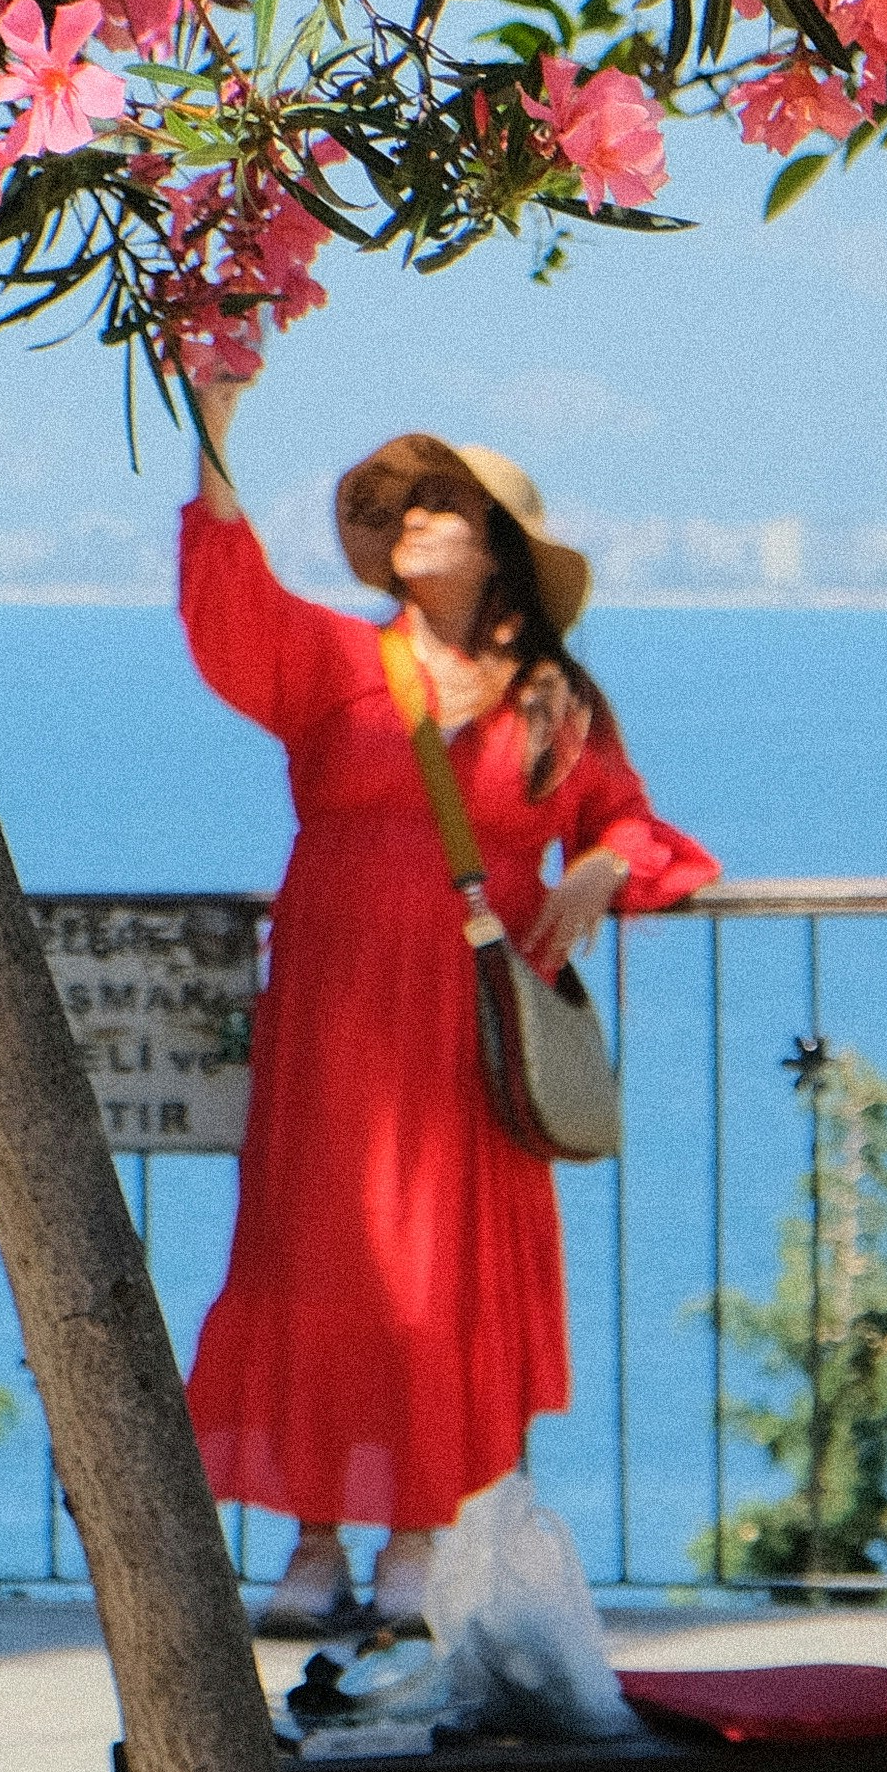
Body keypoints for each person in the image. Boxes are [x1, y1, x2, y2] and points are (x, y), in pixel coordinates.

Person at [178, 381, 715, 1640]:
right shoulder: (334, 662)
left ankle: (417, 1531)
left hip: (463, 1030)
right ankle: (313, 1536)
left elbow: (635, 824)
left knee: (435, 1281)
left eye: (446, 501)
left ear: (499, 541)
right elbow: (230, 605)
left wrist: (600, 864)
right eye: (407, 502)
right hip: (335, 1019)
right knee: (315, 1265)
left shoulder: (553, 699)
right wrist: (213, 418)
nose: (417, 518)